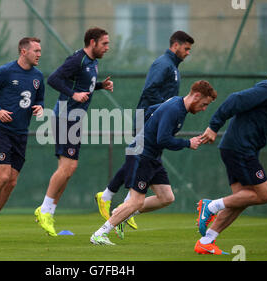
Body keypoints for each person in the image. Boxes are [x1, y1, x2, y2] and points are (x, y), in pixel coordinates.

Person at [195, 55, 267, 255]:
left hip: (240, 149)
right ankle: (210, 206)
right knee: (265, 195)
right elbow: (235, 100)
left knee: (242, 199)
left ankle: (206, 241)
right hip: (240, 148)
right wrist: (214, 126)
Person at [91, 80, 217, 245]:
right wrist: (188, 143)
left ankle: (122, 212)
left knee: (166, 197)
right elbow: (163, 138)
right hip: (142, 156)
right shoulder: (174, 109)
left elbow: (150, 110)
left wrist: (146, 132)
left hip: (152, 156)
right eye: (204, 104)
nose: (204, 109)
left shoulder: (176, 102)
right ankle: (100, 234)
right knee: (136, 201)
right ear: (197, 96)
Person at [95, 31, 194, 230]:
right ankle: (116, 201)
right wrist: (164, 110)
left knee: (144, 161)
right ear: (175, 45)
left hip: (154, 119)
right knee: (140, 157)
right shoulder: (163, 64)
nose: (188, 53)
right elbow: (150, 90)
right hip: (147, 118)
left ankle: (119, 202)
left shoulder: (173, 66)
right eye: (186, 48)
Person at [34, 27, 113, 236]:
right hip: (64, 117)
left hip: (74, 120)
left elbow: (82, 85)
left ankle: (48, 211)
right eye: (104, 43)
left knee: (69, 168)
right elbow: (53, 79)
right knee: (68, 167)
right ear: (92, 42)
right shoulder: (77, 59)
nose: (107, 47)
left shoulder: (93, 63)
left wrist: (101, 86)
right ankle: (44, 209)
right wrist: (73, 95)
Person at [0, 37, 44, 242]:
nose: (39, 54)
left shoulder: (38, 76)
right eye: (36, 51)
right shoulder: (5, 71)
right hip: (2, 130)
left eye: (40, 51)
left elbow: (39, 98)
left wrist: (39, 107)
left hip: (21, 133)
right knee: (3, 176)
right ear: (23, 51)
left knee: (11, 182)